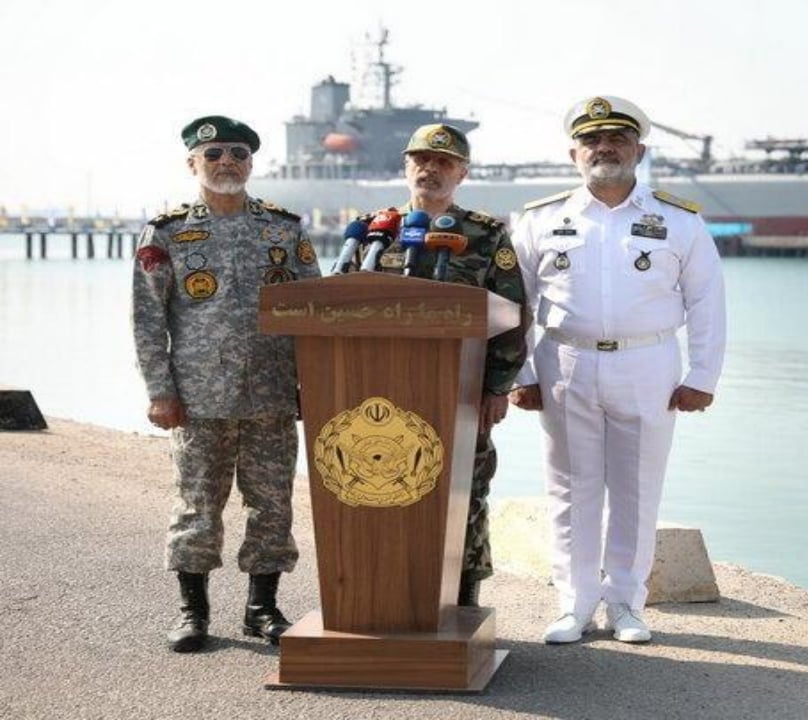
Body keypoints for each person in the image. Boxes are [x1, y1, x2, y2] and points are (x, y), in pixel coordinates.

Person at [509, 96, 726, 644]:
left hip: (647, 360)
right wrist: (518, 376)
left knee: (636, 488)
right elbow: (514, 304)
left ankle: (626, 604)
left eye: (617, 140)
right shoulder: (541, 219)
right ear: (574, 153)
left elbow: (707, 302)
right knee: (570, 487)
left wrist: (703, 376)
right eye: (592, 141)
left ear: (639, 150)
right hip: (565, 360)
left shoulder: (679, 220)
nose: (604, 149)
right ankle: (574, 604)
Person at [131, 115, 320, 653]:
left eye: (236, 153)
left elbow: (315, 309)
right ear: (192, 163)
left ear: (252, 163)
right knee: (197, 505)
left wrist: (315, 384)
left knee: (273, 505)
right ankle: (193, 610)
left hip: (272, 394)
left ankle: (262, 608)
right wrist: (159, 390)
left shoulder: (283, 229)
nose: (225, 163)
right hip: (197, 398)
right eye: (212, 154)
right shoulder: (166, 233)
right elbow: (148, 318)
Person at [353, 123, 527, 607]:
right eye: (420, 160)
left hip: (460, 390)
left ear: (462, 173)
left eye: (443, 163)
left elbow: (513, 314)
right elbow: (337, 303)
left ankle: (462, 596)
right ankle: (379, 591)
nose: (430, 169)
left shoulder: (486, 235)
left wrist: (498, 387)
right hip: (375, 393)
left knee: (465, 491)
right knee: (379, 485)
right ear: (406, 167)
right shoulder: (373, 231)